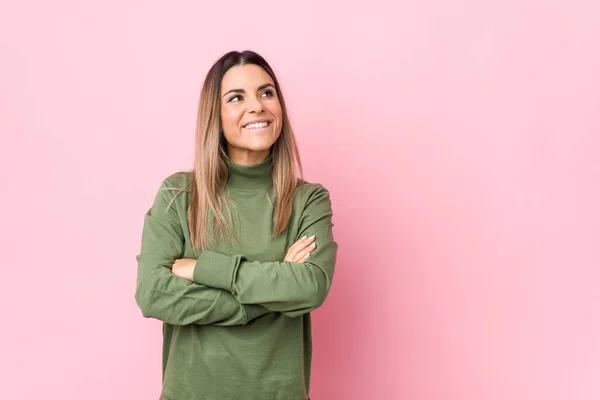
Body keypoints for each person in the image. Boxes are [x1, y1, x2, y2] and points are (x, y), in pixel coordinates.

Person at [135, 50, 338, 400]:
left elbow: (310, 286)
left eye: (266, 92)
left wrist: (204, 268)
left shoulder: (309, 199)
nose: (257, 106)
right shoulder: (178, 193)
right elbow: (153, 294)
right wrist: (266, 296)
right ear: (216, 114)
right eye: (236, 97)